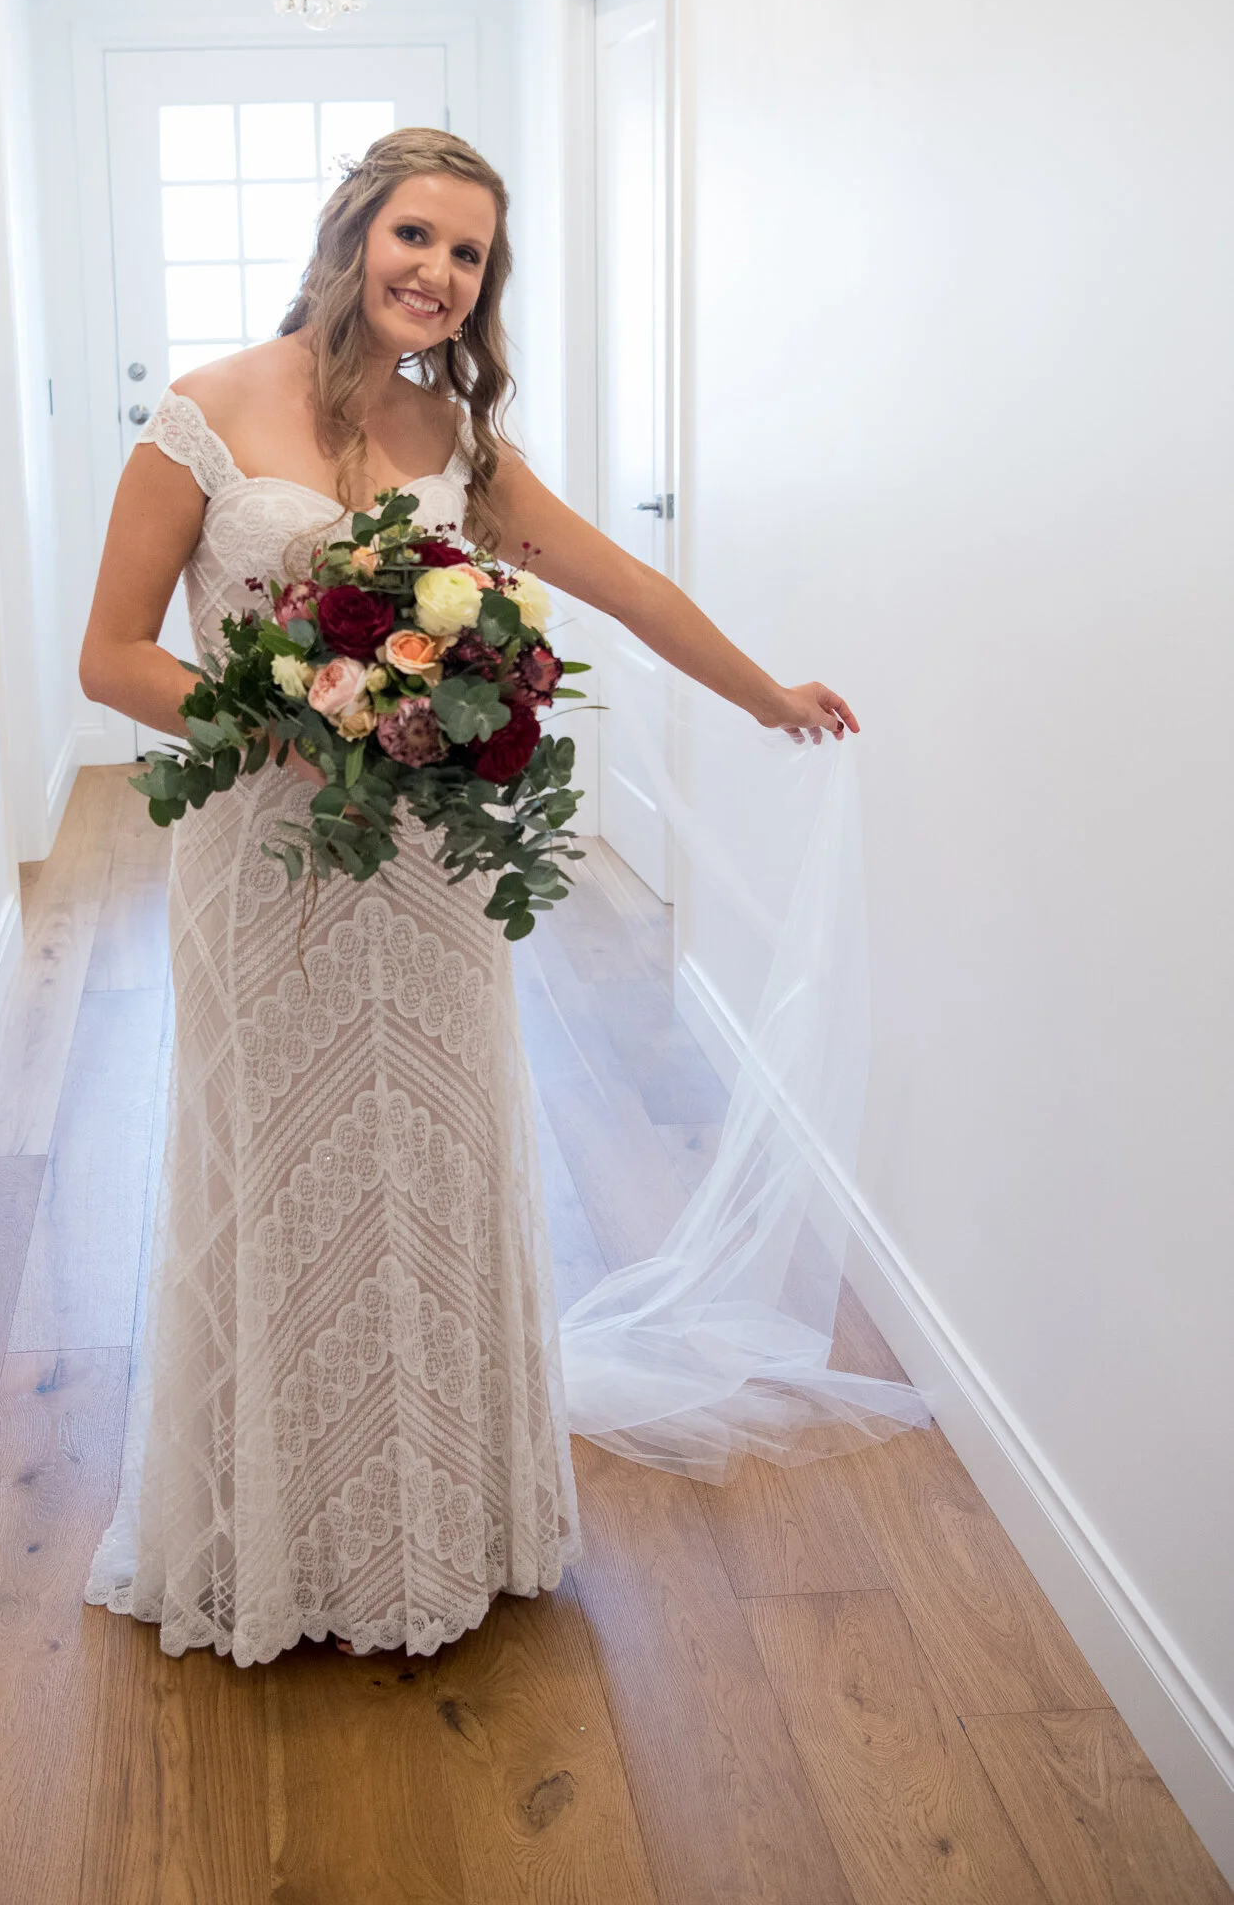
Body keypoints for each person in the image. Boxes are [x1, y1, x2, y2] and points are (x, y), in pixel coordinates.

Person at [78, 127, 856, 1665]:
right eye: (417, 237)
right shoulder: (203, 416)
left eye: (470, 257)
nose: (438, 275)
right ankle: (277, 1534)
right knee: (281, 1164)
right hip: (267, 862)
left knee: (439, 1154)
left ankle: (458, 1513)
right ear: (355, 230)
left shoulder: (462, 448)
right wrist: (287, 724)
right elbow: (111, 658)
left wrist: (766, 691)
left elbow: (620, 585)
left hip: (427, 875)